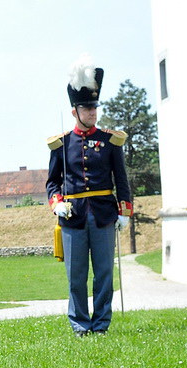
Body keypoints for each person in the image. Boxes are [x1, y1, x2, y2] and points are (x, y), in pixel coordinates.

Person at [46, 56, 132, 337]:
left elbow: (121, 179)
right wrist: (57, 203)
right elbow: (52, 183)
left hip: (105, 214)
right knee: (76, 276)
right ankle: (80, 325)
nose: (92, 112)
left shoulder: (110, 142)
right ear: (75, 111)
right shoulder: (61, 145)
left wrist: (124, 212)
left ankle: (101, 325)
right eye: (86, 108)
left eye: (94, 107)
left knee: (105, 274)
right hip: (73, 218)